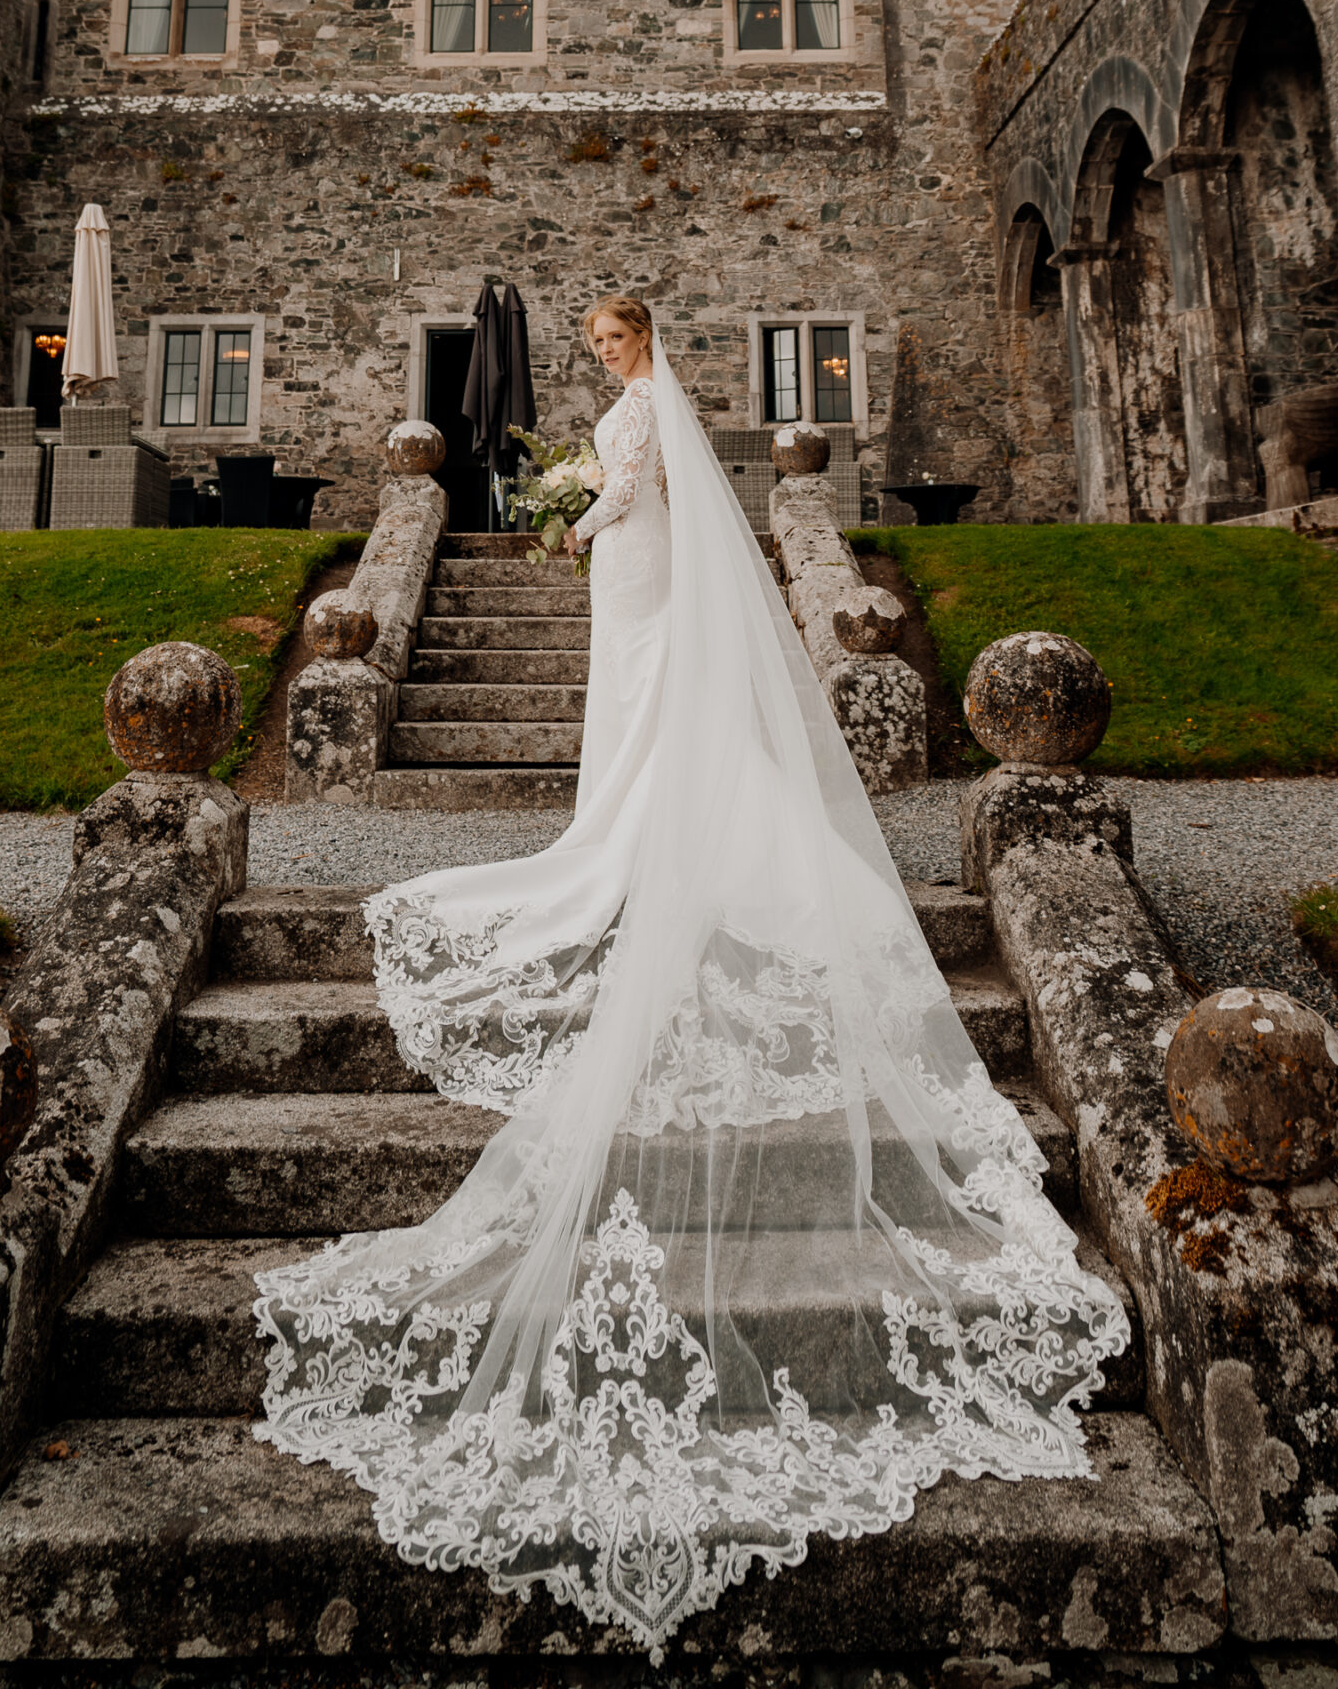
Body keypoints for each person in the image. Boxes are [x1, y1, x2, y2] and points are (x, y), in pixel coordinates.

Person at [253, 295, 1126, 1656]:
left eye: (609, 343)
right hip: (637, 568)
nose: (603, 359)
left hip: (636, 564)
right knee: (639, 706)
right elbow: (628, 477)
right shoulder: (653, 399)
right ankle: (635, 820)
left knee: (651, 702)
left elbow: (633, 487)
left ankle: (646, 832)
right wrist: (582, 510)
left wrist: (572, 521)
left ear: (632, 339)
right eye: (595, 348)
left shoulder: (653, 410)